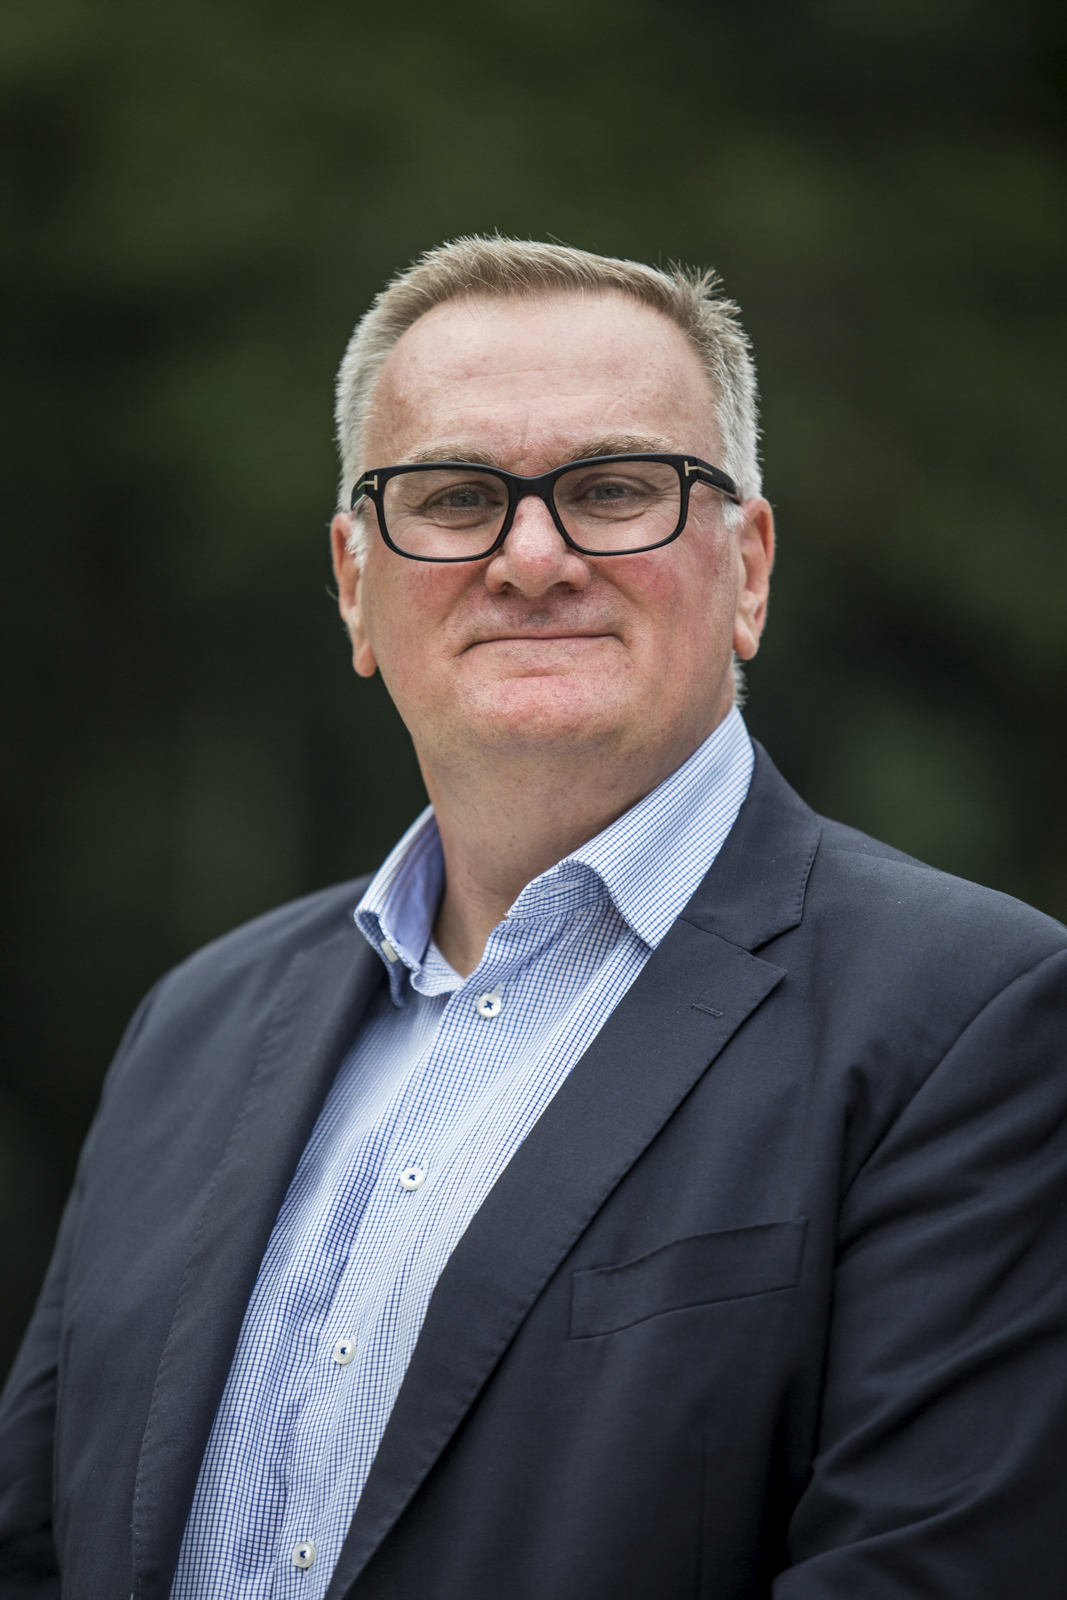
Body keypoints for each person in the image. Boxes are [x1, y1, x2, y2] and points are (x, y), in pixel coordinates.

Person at [2, 237, 1066, 1600]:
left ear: (747, 569)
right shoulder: (193, 1026)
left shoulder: (978, 1021)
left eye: (614, 490)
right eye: (455, 498)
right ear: (354, 583)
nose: (533, 557)